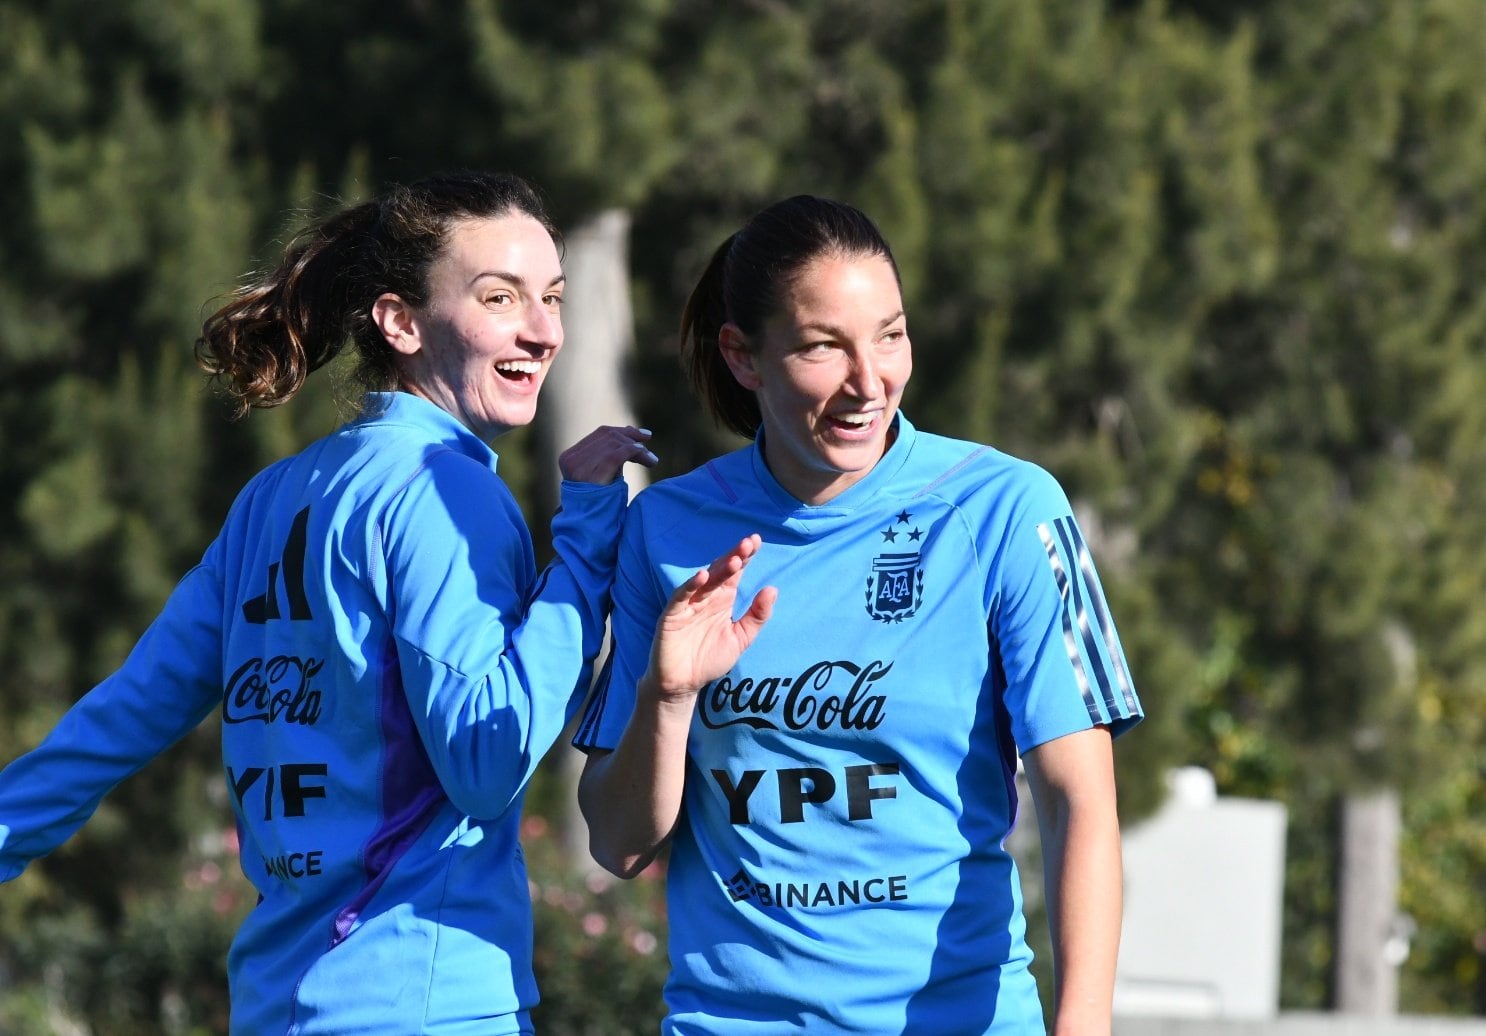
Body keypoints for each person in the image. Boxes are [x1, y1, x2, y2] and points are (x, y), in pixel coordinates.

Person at [0, 170, 658, 1034]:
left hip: (277, 1008)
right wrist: (586, 540)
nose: (543, 332)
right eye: (501, 297)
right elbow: (488, 760)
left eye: (553, 297)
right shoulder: (442, 491)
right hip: (422, 1006)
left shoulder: (276, 495)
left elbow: (122, 718)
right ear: (400, 321)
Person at [573, 195, 1144, 1035]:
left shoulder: (1004, 509)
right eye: (821, 347)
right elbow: (619, 847)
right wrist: (667, 695)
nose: (868, 381)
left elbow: (1079, 802)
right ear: (743, 356)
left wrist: (1083, 1026)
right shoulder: (668, 529)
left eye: (890, 334)